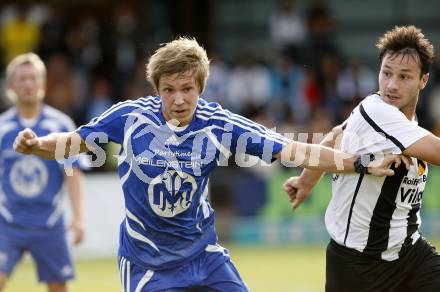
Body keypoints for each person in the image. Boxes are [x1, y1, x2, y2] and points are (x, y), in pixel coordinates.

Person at [13, 38, 400, 292]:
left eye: (187, 89)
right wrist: (36, 145)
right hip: (148, 263)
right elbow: (72, 143)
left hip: (203, 256)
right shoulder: (129, 117)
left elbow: (293, 150)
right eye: (169, 90)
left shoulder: (219, 124)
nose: (178, 99)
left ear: (201, 87)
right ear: (156, 89)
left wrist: (358, 162)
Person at [284, 25, 440, 292]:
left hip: (408, 253)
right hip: (357, 266)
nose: (391, 84)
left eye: (404, 76)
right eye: (386, 73)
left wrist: (306, 180)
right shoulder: (378, 111)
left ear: (423, 81)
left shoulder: (398, 120)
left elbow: (335, 135)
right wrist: (307, 180)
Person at [0, 53, 86, 292]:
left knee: (59, 287)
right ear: (11, 86)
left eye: (34, 78)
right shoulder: (2, 128)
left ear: (43, 83)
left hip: (49, 223)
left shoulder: (61, 126)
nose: (29, 83)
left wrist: (78, 218)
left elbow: (73, 174)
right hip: (7, 223)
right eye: (22, 79)